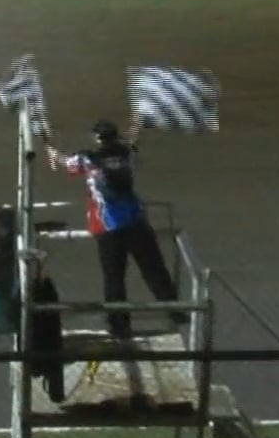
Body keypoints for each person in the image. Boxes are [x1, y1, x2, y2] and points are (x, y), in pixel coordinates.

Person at [46, 119, 184, 340]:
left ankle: (119, 326)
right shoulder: (127, 154)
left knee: (114, 278)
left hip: (108, 225)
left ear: (97, 138)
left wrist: (53, 154)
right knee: (154, 269)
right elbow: (133, 153)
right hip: (136, 221)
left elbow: (67, 164)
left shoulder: (89, 158)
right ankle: (176, 311)